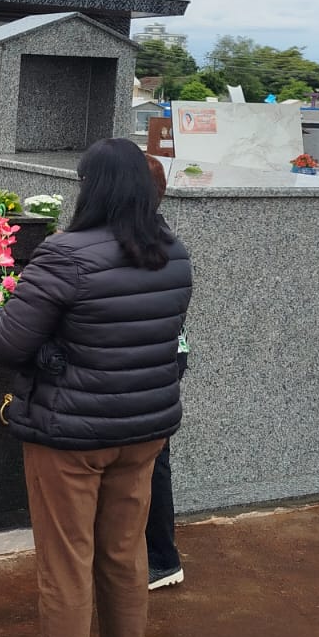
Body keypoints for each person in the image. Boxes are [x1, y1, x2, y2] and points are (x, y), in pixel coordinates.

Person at [0, 137, 192, 637]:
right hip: (145, 429)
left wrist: (4, 309)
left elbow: (6, 345)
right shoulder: (172, 251)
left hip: (70, 435)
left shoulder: (65, 253)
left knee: (67, 562)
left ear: (92, 187)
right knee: (126, 553)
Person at [143, 156, 187, 591]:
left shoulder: (153, 240)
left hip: (158, 362)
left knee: (154, 463)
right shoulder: (163, 235)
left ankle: (162, 557)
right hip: (168, 358)